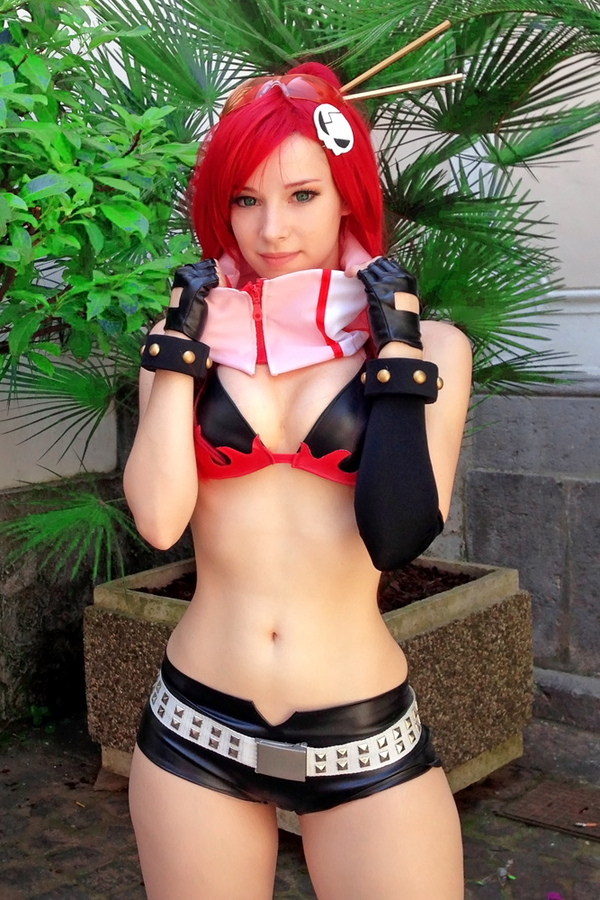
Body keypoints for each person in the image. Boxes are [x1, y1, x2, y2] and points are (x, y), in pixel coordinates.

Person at [123, 60, 472, 900]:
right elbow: (160, 523)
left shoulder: (434, 348)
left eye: (303, 195)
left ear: (348, 196)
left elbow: (396, 534)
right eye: (246, 200)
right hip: (196, 722)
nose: (272, 229)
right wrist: (176, 358)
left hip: (361, 734)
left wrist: (396, 356)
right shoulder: (185, 343)